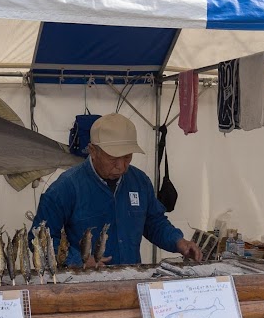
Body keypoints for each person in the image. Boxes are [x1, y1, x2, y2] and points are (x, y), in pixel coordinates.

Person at [33, 113, 201, 265]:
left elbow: (153, 222)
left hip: (130, 280)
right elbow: (39, 239)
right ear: (93, 151)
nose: (121, 166)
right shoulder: (66, 187)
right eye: (113, 158)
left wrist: (178, 242)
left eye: (127, 157)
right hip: (83, 284)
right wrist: (78, 261)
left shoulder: (140, 181)